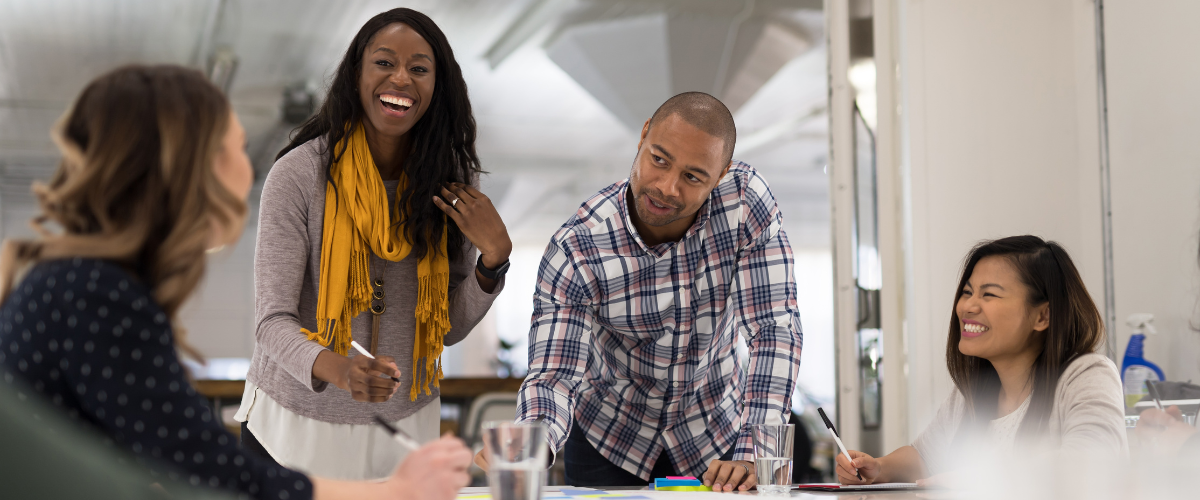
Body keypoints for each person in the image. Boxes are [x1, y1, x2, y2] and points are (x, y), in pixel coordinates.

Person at [0, 64, 472, 500]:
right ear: (188, 166)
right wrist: (395, 491)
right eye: (235, 148)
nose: (249, 170)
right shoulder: (96, 297)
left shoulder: (85, 286)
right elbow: (209, 468)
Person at [476, 92, 804, 492]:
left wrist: (757, 450)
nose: (666, 187)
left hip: (717, 434)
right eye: (659, 160)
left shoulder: (745, 203)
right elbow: (555, 375)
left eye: (693, 176)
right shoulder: (578, 247)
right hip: (610, 437)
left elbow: (774, 329)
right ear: (644, 135)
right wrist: (532, 443)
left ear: (719, 177)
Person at [235, 8, 510, 481]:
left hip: (404, 431)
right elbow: (272, 322)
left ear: (436, 88)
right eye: (384, 63)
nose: (401, 77)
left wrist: (494, 260)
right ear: (357, 75)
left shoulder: (451, 184)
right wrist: (340, 370)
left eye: (419, 68)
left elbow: (444, 329)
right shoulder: (298, 175)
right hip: (291, 430)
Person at [835, 236, 1127, 485]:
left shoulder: (1087, 375)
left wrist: (982, 479)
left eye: (989, 294)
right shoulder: (973, 393)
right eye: (967, 292)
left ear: (1043, 316)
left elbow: (1092, 462)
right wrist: (879, 468)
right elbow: (925, 458)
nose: (968, 306)